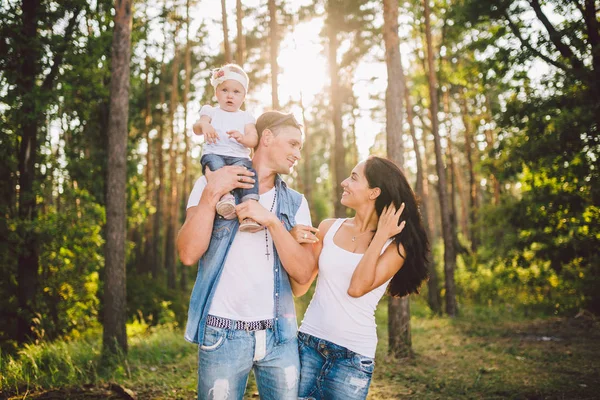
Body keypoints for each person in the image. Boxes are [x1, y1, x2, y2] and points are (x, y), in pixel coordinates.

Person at [177, 111, 316, 400]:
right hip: (221, 334)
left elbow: (303, 275)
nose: (296, 154)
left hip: (280, 336)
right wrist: (212, 193)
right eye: (292, 144)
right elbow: (188, 253)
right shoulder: (208, 184)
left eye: (299, 148)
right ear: (266, 138)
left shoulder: (296, 203)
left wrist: (272, 222)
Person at [290, 156, 430, 400]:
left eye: (353, 177)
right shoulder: (328, 227)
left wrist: (381, 235)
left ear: (374, 192)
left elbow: (357, 288)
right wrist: (294, 244)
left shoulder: (395, 247)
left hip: (352, 357)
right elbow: (299, 287)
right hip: (308, 344)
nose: (344, 182)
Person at [192, 63, 261, 232]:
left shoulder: (246, 117)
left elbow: (253, 139)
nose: (230, 96)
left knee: (249, 175)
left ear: (244, 96)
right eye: (225, 90)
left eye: (236, 92)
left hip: (239, 157)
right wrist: (205, 126)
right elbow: (197, 127)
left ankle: (249, 209)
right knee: (215, 167)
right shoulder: (210, 111)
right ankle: (226, 198)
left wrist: (243, 138)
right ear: (216, 93)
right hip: (215, 153)